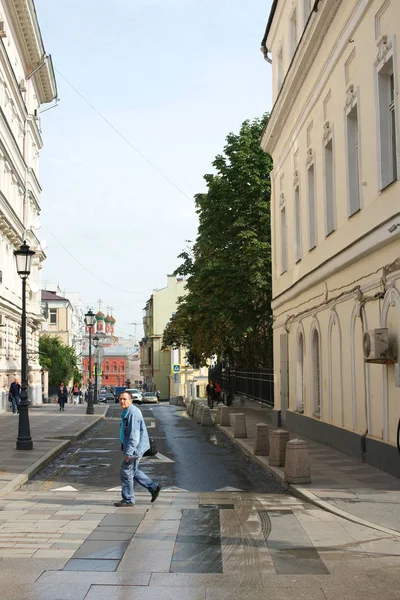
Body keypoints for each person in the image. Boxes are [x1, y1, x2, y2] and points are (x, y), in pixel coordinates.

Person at [115, 391, 161, 507]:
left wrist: (129, 452)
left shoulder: (133, 413)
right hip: (132, 448)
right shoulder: (127, 411)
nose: (122, 401)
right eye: (120, 399)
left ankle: (129, 499)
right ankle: (153, 487)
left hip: (134, 449)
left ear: (131, 400)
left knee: (126, 472)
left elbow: (134, 435)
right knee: (133, 471)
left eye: (125, 399)